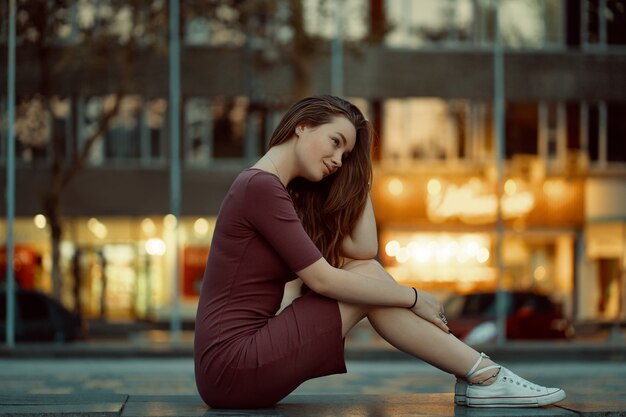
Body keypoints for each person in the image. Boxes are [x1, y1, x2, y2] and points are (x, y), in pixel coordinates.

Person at [194, 95, 566, 409]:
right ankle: (485, 375)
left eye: (347, 153)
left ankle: (481, 376)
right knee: (369, 277)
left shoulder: (276, 192)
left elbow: (361, 249)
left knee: (365, 268)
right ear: (303, 126)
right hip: (232, 364)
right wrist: (413, 297)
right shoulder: (259, 186)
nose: (338, 159)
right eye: (335, 142)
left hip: (235, 363)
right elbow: (321, 278)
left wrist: (359, 173)